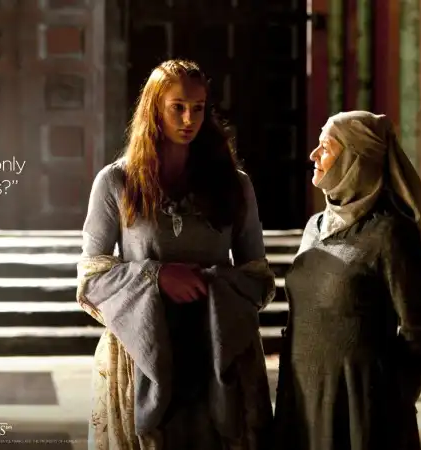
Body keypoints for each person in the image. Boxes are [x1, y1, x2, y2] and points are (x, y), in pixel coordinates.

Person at [76, 59, 276, 449]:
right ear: (154, 109)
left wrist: (212, 284)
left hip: (218, 348)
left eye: (198, 108)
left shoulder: (234, 185)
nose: (189, 119)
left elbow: (257, 277)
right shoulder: (116, 182)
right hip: (141, 348)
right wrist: (156, 276)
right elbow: (91, 277)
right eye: (177, 107)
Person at [272, 111, 421, 450]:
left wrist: (390, 397)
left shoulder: (391, 232)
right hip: (303, 398)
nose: (313, 155)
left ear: (355, 158)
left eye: (326, 147)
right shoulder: (314, 227)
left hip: (360, 410)